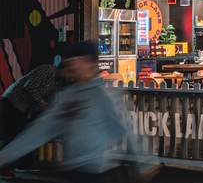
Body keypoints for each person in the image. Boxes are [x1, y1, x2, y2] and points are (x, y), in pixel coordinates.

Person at [0, 41, 137, 183]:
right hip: (74, 168)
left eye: (79, 61)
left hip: (98, 170)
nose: (74, 66)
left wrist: (141, 165)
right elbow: (41, 129)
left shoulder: (104, 94)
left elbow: (124, 129)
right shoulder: (67, 96)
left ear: (91, 63)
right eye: (72, 62)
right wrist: (5, 156)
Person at [0, 64, 59, 149]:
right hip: (12, 103)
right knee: (9, 137)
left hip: (22, 109)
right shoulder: (48, 69)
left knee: (13, 139)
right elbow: (30, 88)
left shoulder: (58, 83)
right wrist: (44, 104)